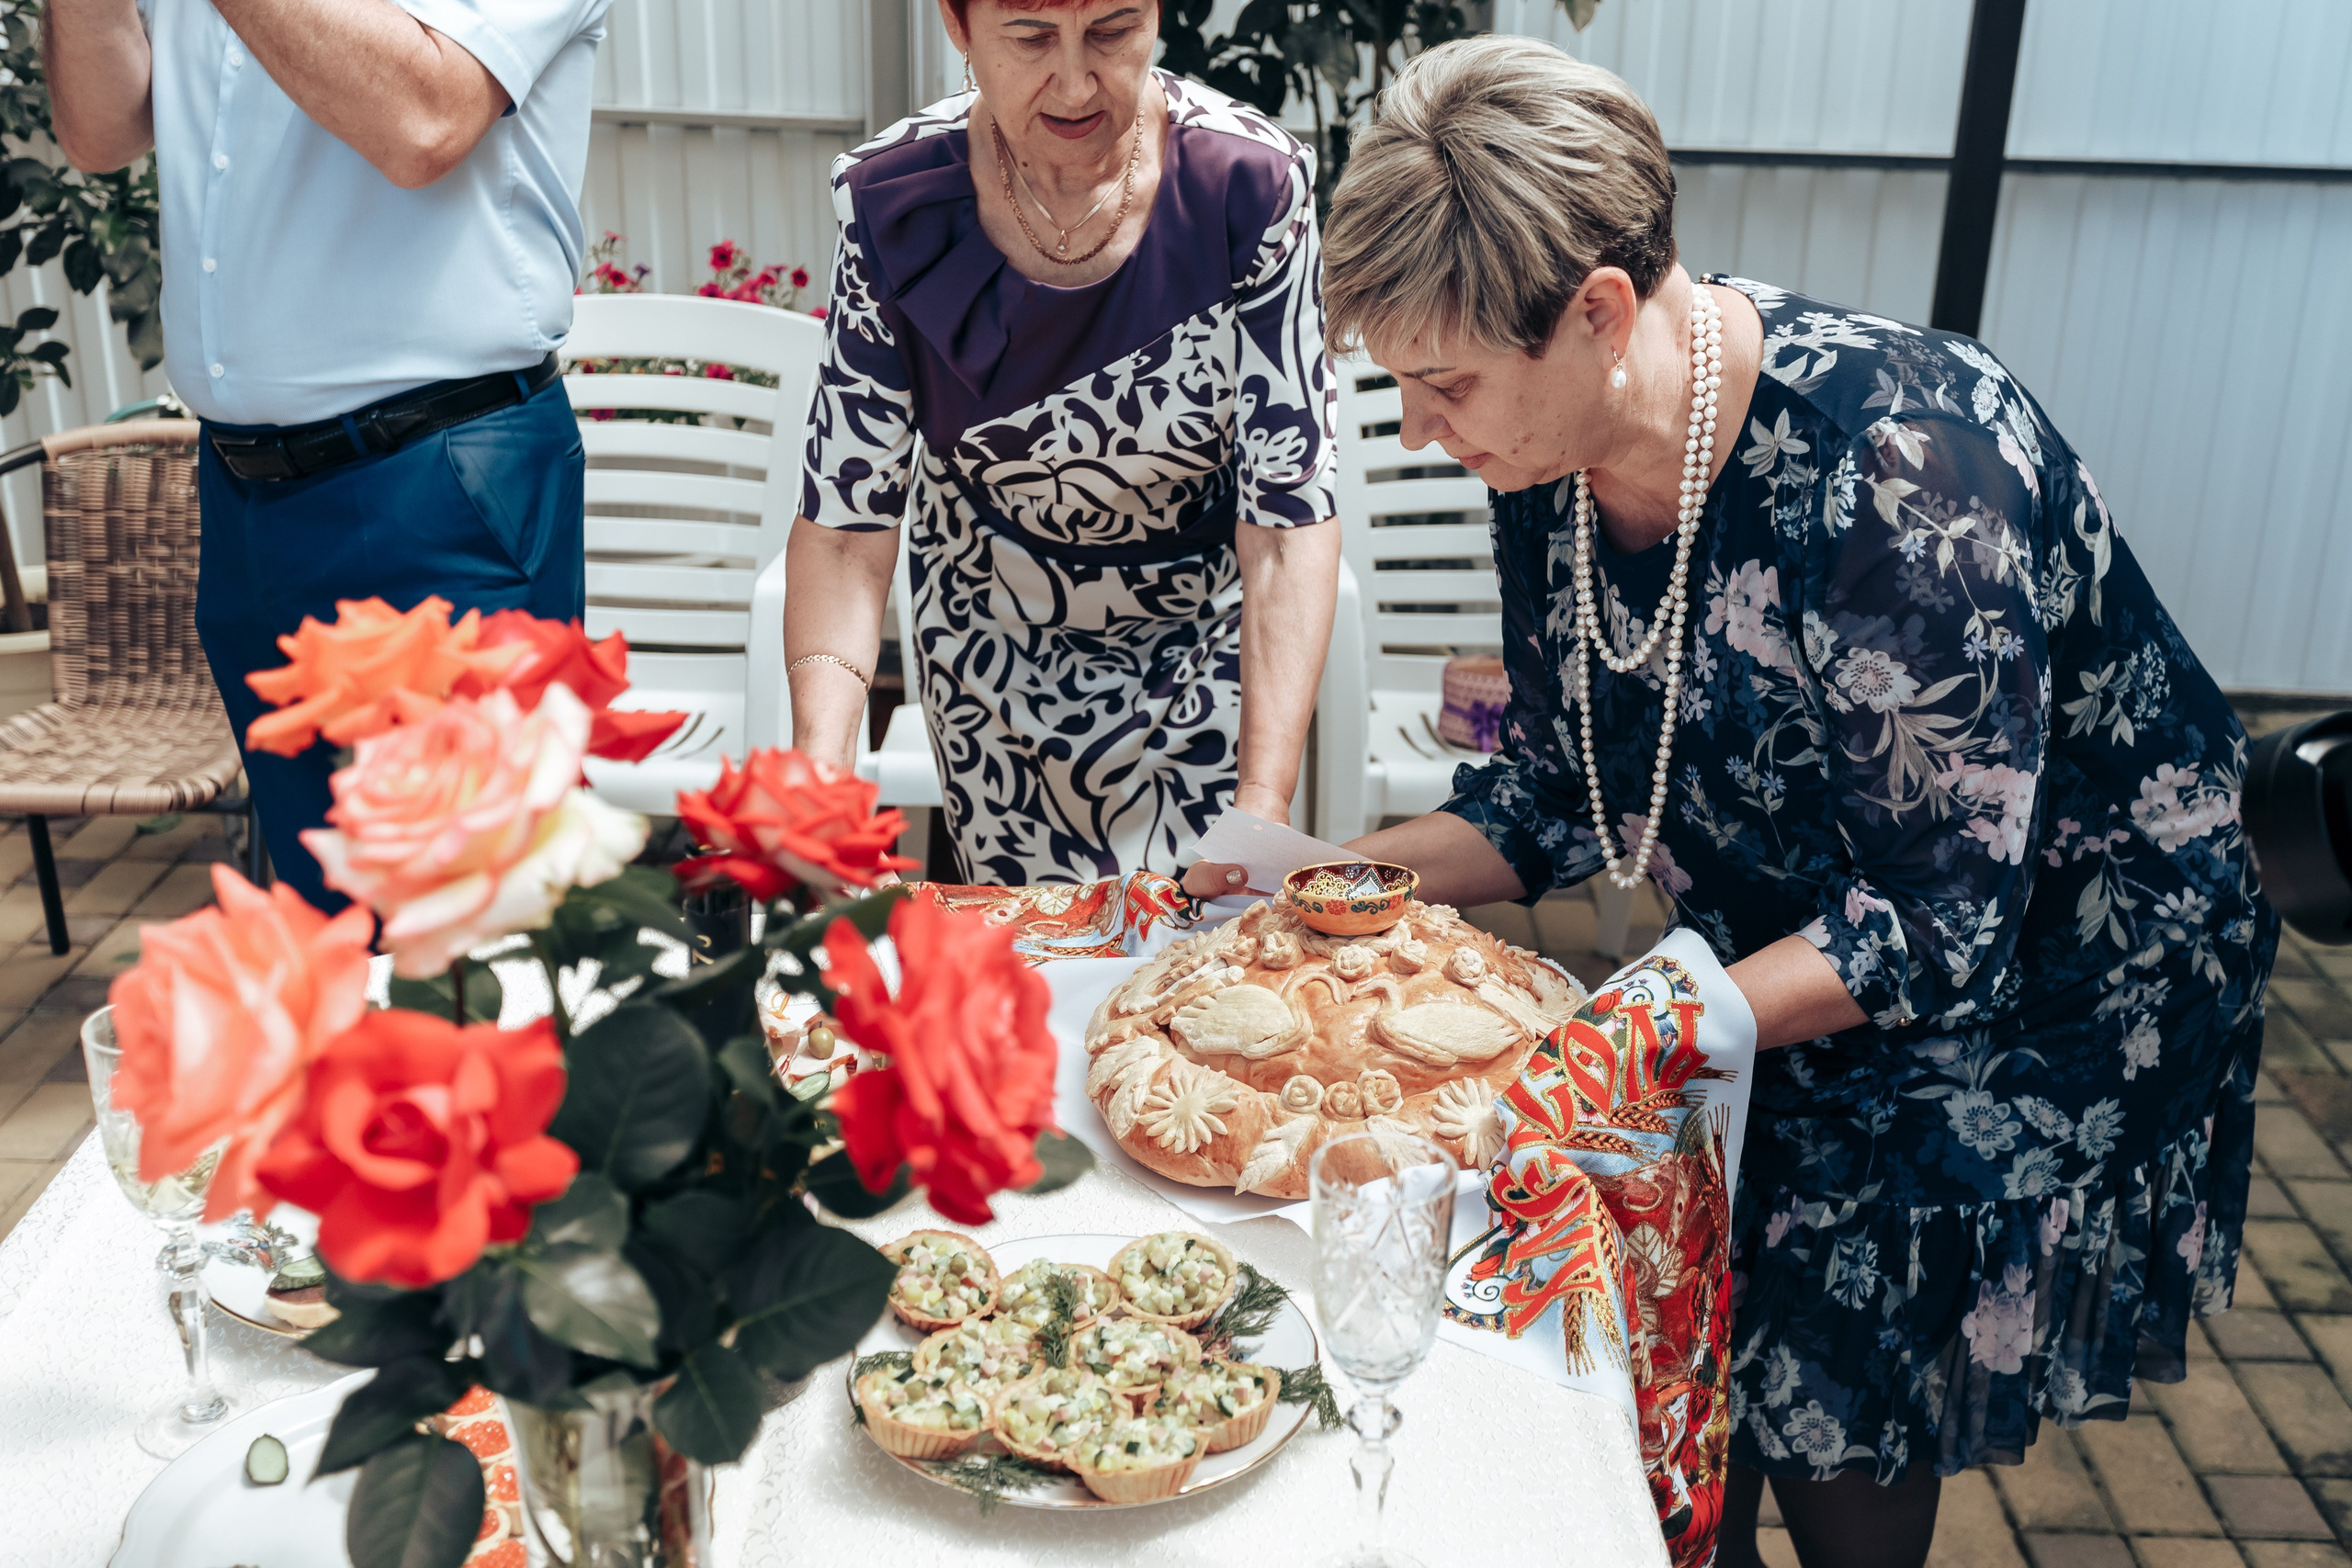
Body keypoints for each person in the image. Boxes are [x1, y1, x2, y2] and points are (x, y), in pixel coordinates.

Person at [1286, 37, 2277, 1568]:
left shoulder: (1902, 470)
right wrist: (1323, 883)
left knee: (1822, 1352)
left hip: (2050, 959)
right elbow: (1558, 791)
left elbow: (1938, 923)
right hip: (1801, 925)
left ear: (1598, 312)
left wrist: (1645, 1022)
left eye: (1446, 383)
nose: (1419, 428)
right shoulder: (1548, 457)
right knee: (1672, 1347)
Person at [44, 0, 604, 910]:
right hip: (245, 495)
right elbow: (100, 133)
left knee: (481, 915)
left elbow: (424, 119)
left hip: (436, 481)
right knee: (327, 916)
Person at [788, 0, 1340, 886]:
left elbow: (1286, 521)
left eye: (1113, 31)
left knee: (1196, 946)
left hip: (1202, 644)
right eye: (1032, 36)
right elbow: (847, 531)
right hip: (990, 639)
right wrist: (821, 779)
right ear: (959, 24)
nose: (1078, 84)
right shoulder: (892, 200)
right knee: (1019, 946)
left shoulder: (1250, 184)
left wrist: (1263, 802)